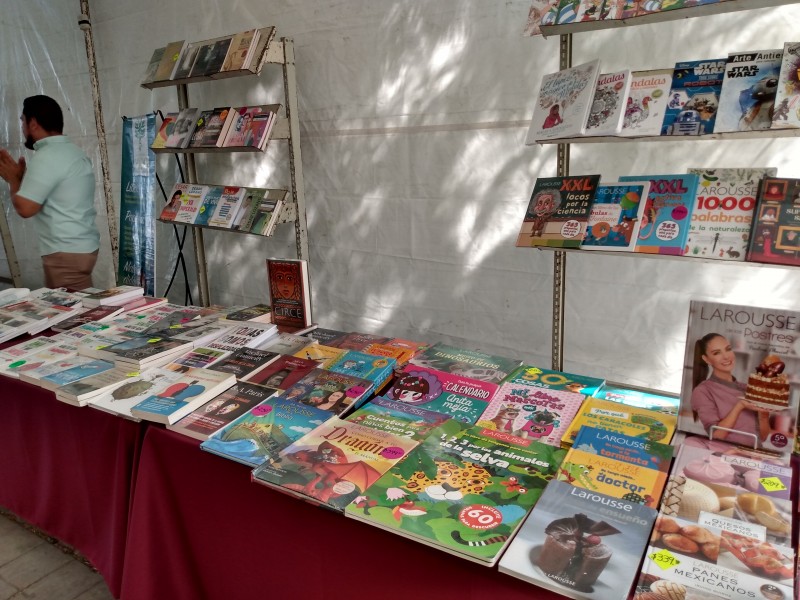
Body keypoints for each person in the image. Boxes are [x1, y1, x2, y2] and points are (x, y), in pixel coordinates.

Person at [0, 95, 100, 289]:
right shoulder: (72, 152)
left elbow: (26, 208)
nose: (22, 128)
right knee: (79, 309)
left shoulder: (47, 157)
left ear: (34, 123)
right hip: (82, 247)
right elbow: (50, 198)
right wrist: (21, 180)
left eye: (23, 121)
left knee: (69, 315)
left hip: (65, 253)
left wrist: (13, 181)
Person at [690, 332, 768, 447]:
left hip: (754, 457)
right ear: (706, 359)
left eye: (728, 349)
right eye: (717, 353)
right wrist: (739, 406)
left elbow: (762, 437)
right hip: (724, 457)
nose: (726, 356)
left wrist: (764, 414)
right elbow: (716, 435)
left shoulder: (748, 389)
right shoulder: (702, 391)